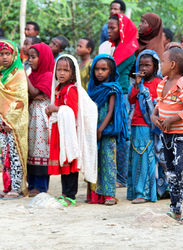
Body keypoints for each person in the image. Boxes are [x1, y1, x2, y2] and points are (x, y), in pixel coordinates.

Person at [151, 47, 183, 224]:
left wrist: (173, 118)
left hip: (180, 136)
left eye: (163, 61)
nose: (160, 64)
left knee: (181, 170)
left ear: (172, 65)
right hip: (166, 135)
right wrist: (154, 115)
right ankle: (175, 208)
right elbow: (159, 103)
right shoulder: (162, 83)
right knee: (170, 171)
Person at [46, 54, 98, 207]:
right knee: (63, 165)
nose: (61, 73)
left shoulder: (72, 90)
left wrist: (55, 108)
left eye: (65, 70)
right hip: (59, 131)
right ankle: (64, 193)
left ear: (73, 73)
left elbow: (72, 112)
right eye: (59, 70)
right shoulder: (58, 88)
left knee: (69, 164)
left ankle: (71, 195)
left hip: (69, 133)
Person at [100, 13, 138, 187]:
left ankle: (121, 177)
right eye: (108, 27)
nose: (109, 31)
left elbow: (112, 71)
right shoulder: (112, 48)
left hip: (120, 94)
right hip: (110, 92)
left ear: (122, 29)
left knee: (121, 134)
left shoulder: (127, 50)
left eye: (112, 28)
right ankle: (112, 173)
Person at [87, 54, 129, 205]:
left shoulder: (113, 88)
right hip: (92, 129)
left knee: (108, 161)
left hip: (107, 130)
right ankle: (94, 195)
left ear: (110, 71)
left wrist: (101, 129)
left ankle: (109, 194)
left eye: (103, 69)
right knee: (93, 160)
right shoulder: (92, 89)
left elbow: (111, 111)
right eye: (97, 69)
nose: (99, 72)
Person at [127, 50, 162, 204]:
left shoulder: (160, 84)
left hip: (151, 127)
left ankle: (145, 193)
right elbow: (131, 99)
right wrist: (136, 84)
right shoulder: (137, 84)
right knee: (137, 158)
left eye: (147, 65)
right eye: (141, 65)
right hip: (136, 125)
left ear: (155, 67)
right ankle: (137, 191)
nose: (143, 68)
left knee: (147, 159)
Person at [0, 40, 29, 199]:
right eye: (1, 54)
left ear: (14, 55)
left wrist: (8, 120)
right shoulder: (1, 73)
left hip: (14, 123)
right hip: (1, 123)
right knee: (4, 155)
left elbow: (20, 99)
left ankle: (17, 188)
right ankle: (7, 186)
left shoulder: (18, 73)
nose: (4, 57)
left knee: (15, 155)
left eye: (7, 54)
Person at [27, 42, 55, 197]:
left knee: (41, 151)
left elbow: (32, 92)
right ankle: (31, 184)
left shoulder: (48, 75)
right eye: (29, 57)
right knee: (31, 151)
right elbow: (32, 94)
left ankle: (41, 186)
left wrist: (23, 75)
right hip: (32, 116)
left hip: (42, 119)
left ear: (43, 58)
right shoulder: (33, 75)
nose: (30, 60)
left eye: (33, 57)